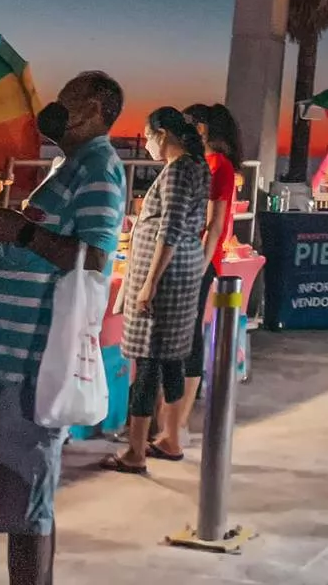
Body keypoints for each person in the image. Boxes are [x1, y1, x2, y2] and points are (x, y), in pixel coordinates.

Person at [0, 72, 127, 585]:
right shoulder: (72, 166)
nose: (57, 105)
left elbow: (96, 259)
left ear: (98, 107)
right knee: (19, 497)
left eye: (69, 98)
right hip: (9, 357)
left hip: (31, 361)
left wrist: (22, 231)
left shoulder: (99, 167)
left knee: (27, 495)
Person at [104, 107, 209, 473]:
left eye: (148, 136)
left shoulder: (179, 170)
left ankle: (135, 451)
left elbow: (171, 229)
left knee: (148, 362)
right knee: (170, 359)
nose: (146, 144)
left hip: (165, 278)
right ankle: (170, 438)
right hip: (178, 273)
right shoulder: (195, 166)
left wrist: (149, 283)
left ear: (163, 134)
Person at [174, 102, 241, 437]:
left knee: (187, 336)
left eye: (187, 125)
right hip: (195, 258)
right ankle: (174, 415)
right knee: (184, 334)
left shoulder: (218, 164)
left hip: (200, 260)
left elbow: (214, 225)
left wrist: (199, 268)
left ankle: (180, 417)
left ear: (201, 129)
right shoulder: (209, 163)